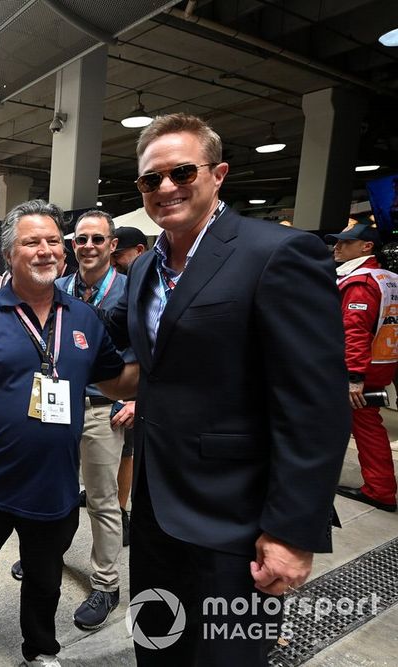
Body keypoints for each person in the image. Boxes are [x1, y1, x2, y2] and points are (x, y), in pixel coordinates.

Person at [103, 113, 349, 665]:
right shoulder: (144, 270)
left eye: (182, 172)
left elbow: (314, 404)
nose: (166, 187)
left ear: (218, 175)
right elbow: (139, 356)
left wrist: (291, 532)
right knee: (157, 647)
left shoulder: (278, 253)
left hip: (234, 520)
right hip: (156, 509)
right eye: (151, 179)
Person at [0, 199, 137, 667]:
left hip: (53, 487)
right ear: (8, 254)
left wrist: (162, 355)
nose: (46, 250)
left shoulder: (83, 318)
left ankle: (40, 651)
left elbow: (114, 381)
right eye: (32, 242)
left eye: (53, 241)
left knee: (45, 581)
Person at [54, 210, 135, 630]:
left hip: (105, 408)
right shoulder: (59, 288)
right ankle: (48, 554)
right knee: (55, 489)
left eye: (97, 239)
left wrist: (136, 398)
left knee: (103, 500)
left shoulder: (130, 290)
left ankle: (106, 583)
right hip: (56, 406)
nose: (88, 246)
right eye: (81, 239)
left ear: (112, 244)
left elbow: (151, 347)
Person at [327, 220, 398, 512]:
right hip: (382, 361)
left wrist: (353, 376)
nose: (337, 247)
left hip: (358, 369)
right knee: (365, 425)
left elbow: (354, 331)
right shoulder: (388, 278)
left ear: (366, 246)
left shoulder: (361, 282)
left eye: (345, 242)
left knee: (363, 427)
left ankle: (380, 490)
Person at [108, 225, 148, 535]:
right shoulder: (67, 284)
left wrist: (137, 398)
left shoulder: (139, 282)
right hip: (98, 385)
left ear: (139, 251)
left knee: (127, 451)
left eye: (118, 254)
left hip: (132, 387)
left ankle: (121, 510)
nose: (113, 260)